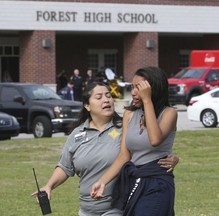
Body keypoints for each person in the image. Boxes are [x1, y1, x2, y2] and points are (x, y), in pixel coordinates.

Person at [32, 82, 179, 216]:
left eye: (108, 96)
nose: (106, 100)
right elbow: (65, 167)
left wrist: (173, 157)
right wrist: (49, 186)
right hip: (86, 210)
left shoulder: (126, 127)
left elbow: (146, 148)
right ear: (87, 106)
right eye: (99, 97)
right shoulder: (77, 134)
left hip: (117, 208)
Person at [91, 67, 178, 216]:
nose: (133, 92)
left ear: (152, 89)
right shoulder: (130, 114)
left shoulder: (169, 113)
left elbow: (155, 139)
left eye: (139, 88)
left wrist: (147, 101)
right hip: (135, 182)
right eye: (132, 87)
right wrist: (102, 181)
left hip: (158, 184)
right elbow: (124, 156)